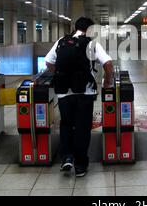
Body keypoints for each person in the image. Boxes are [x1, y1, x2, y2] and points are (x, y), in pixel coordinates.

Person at [45, 17, 113, 177]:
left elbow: (48, 62)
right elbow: (108, 63)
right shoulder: (91, 44)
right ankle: (81, 165)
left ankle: (67, 158)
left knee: (66, 124)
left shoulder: (61, 41)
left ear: (75, 27)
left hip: (64, 93)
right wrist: (108, 81)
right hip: (85, 92)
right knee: (82, 127)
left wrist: (60, 75)